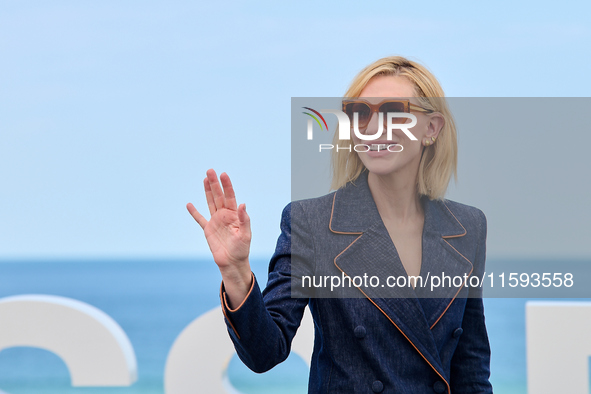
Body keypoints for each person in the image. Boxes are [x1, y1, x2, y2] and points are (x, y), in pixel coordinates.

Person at [187, 56, 493, 393]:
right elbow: (265, 352)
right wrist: (236, 272)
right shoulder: (312, 223)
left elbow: (470, 368)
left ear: (431, 129)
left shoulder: (468, 226)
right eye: (360, 113)